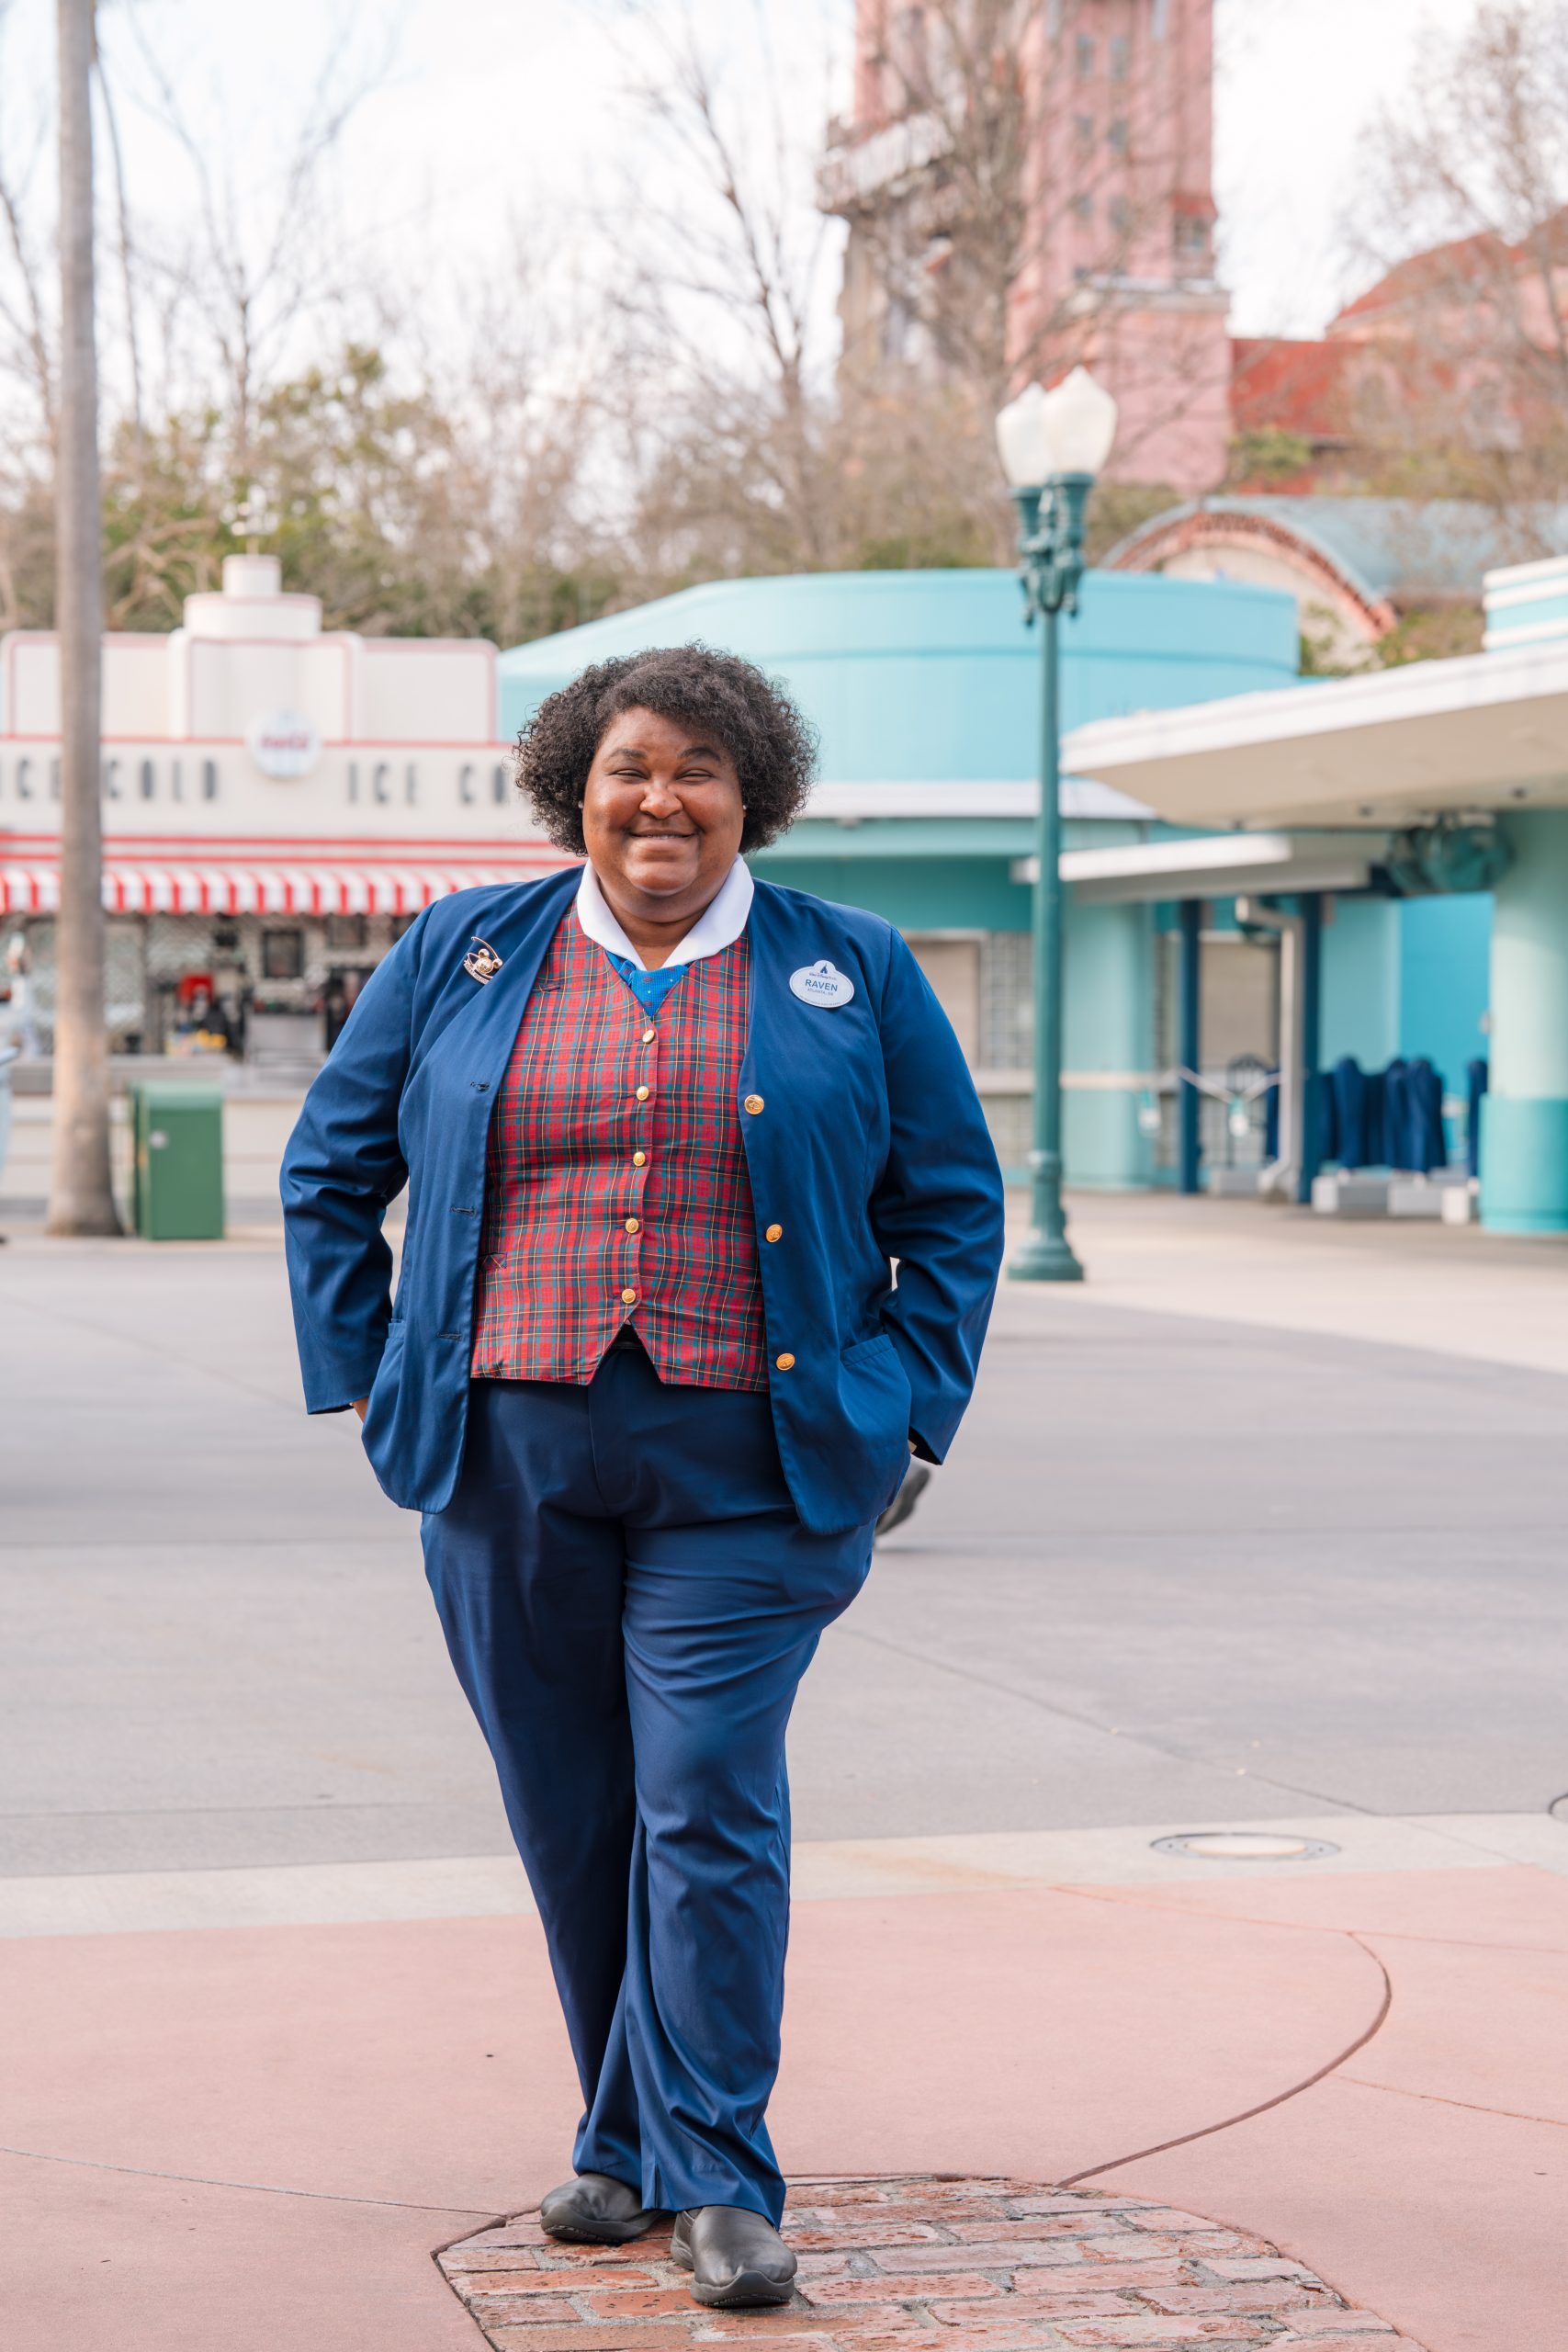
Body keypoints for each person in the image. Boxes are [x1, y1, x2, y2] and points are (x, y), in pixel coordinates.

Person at [280, 648, 1004, 2311]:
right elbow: (331, 1166)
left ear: (753, 795)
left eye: (698, 770)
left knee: (706, 1800)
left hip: (752, 1465)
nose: (660, 799)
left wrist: (906, 1406)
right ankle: (622, 2140)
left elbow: (952, 1206)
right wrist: (372, 1367)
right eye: (629, 768)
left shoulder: (853, 966)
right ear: (576, 791)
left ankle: (720, 2173)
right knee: (574, 1810)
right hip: (504, 1455)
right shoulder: (462, 950)